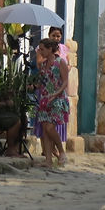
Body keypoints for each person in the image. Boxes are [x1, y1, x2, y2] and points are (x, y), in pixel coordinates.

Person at [34, 37, 69, 168]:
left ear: (50, 49)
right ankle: (48, 159)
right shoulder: (43, 65)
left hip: (57, 99)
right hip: (44, 100)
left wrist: (56, 94)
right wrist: (33, 86)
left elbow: (65, 81)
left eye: (42, 49)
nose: (40, 52)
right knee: (45, 129)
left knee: (49, 127)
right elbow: (42, 82)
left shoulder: (61, 62)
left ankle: (61, 152)